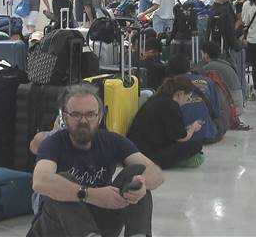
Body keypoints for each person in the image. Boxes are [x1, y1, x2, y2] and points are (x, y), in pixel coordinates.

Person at [30, 84, 164, 237]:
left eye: (90, 114)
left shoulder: (112, 140)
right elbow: (40, 181)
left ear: (99, 117)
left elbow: (156, 172)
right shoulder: (53, 143)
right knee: (62, 182)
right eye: (76, 114)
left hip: (99, 224)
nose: (83, 120)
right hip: (57, 227)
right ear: (65, 118)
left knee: (137, 174)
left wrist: (141, 184)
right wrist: (90, 194)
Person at [127, 76, 204, 169]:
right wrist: (193, 128)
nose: (187, 101)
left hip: (135, 152)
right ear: (180, 94)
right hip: (149, 157)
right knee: (197, 144)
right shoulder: (171, 106)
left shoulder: (156, 99)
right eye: (188, 98)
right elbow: (181, 138)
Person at [201, 41, 244, 116]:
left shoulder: (209, 67)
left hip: (230, 109)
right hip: (238, 104)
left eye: (202, 54)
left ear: (206, 54)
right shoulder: (226, 64)